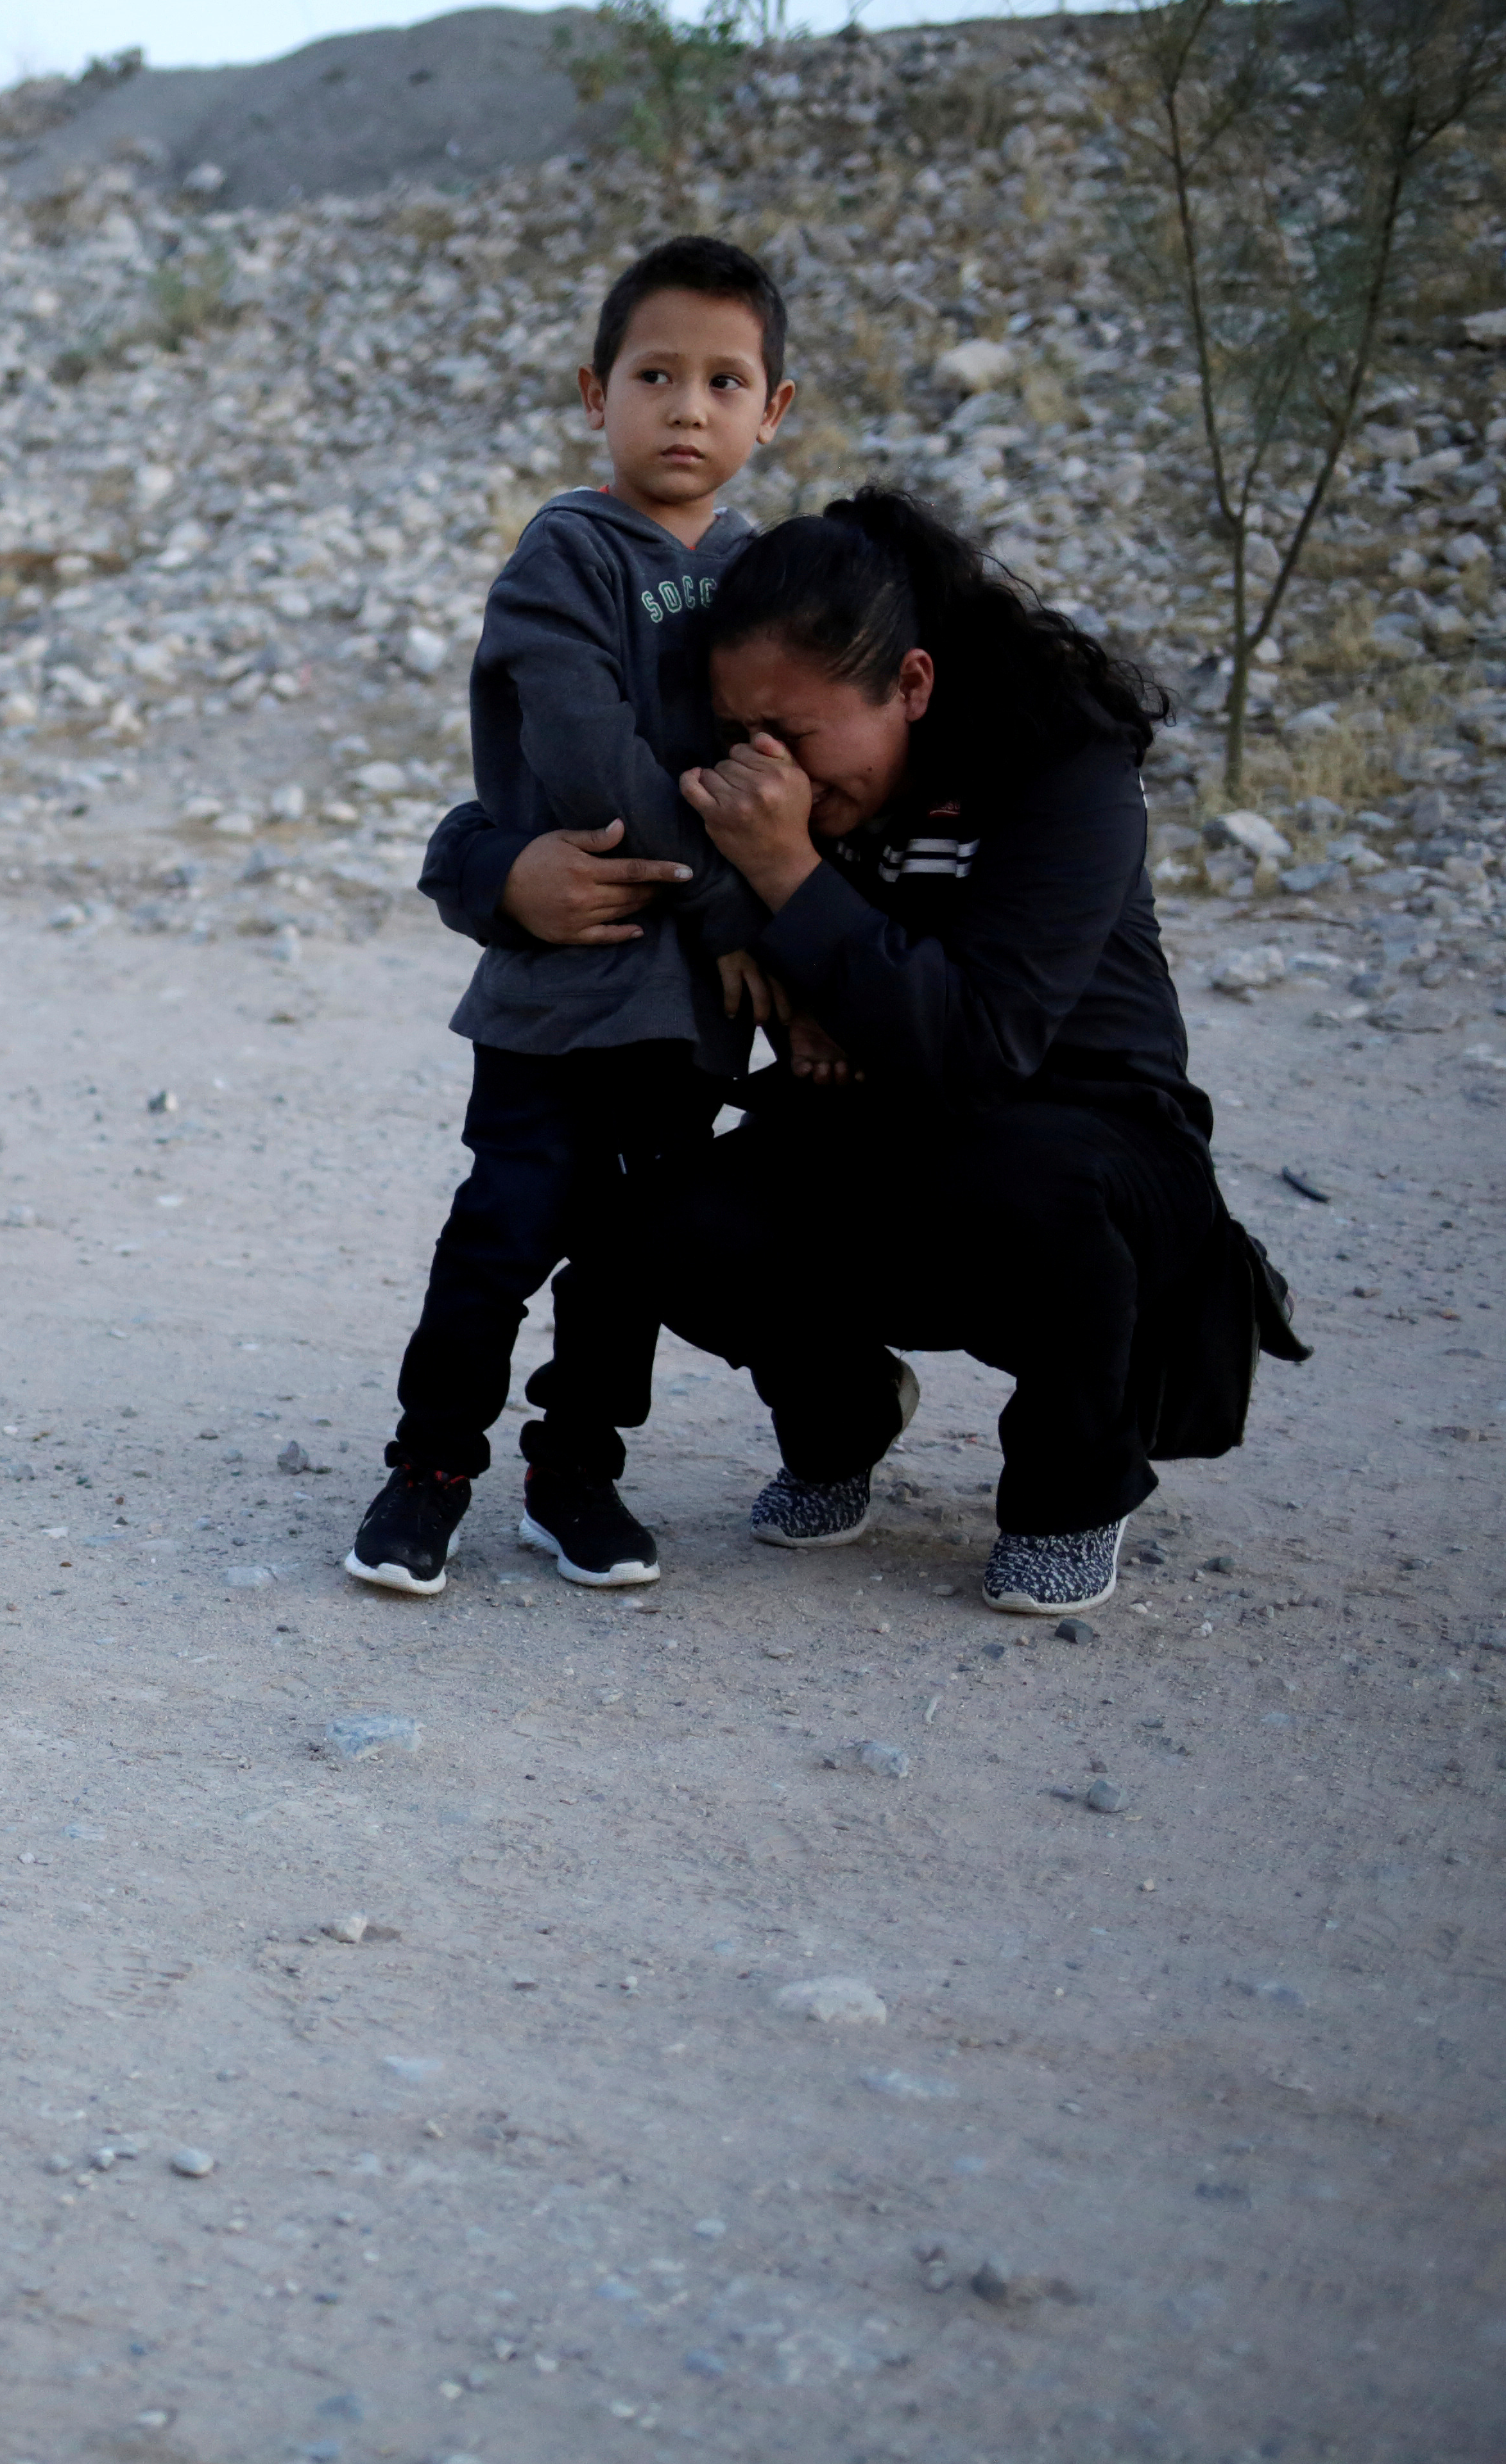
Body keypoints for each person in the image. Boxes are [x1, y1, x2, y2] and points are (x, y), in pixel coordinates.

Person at [641, 487, 1298, 1613]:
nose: (769, 776)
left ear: (912, 684)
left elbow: (982, 1047)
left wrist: (792, 880)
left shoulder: (1065, 769)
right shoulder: (782, 793)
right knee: (681, 1216)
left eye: (794, 737)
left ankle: (1073, 1490)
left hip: (1099, 1153)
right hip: (891, 1133)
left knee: (1023, 1174)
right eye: (741, 740)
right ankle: (843, 1418)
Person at [343, 236, 797, 1599]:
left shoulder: (775, 572)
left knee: (625, 1263)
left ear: (772, 412)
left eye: (727, 382)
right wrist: (741, 901)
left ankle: (577, 1475)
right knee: (506, 1228)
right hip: (561, 989)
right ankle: (429, 1468)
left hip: (688, 1020)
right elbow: (599, 770)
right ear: (596, 392)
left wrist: (767, 918)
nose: (688, 408)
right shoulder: (565, 557)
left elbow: (793, 761)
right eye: (656, 375)